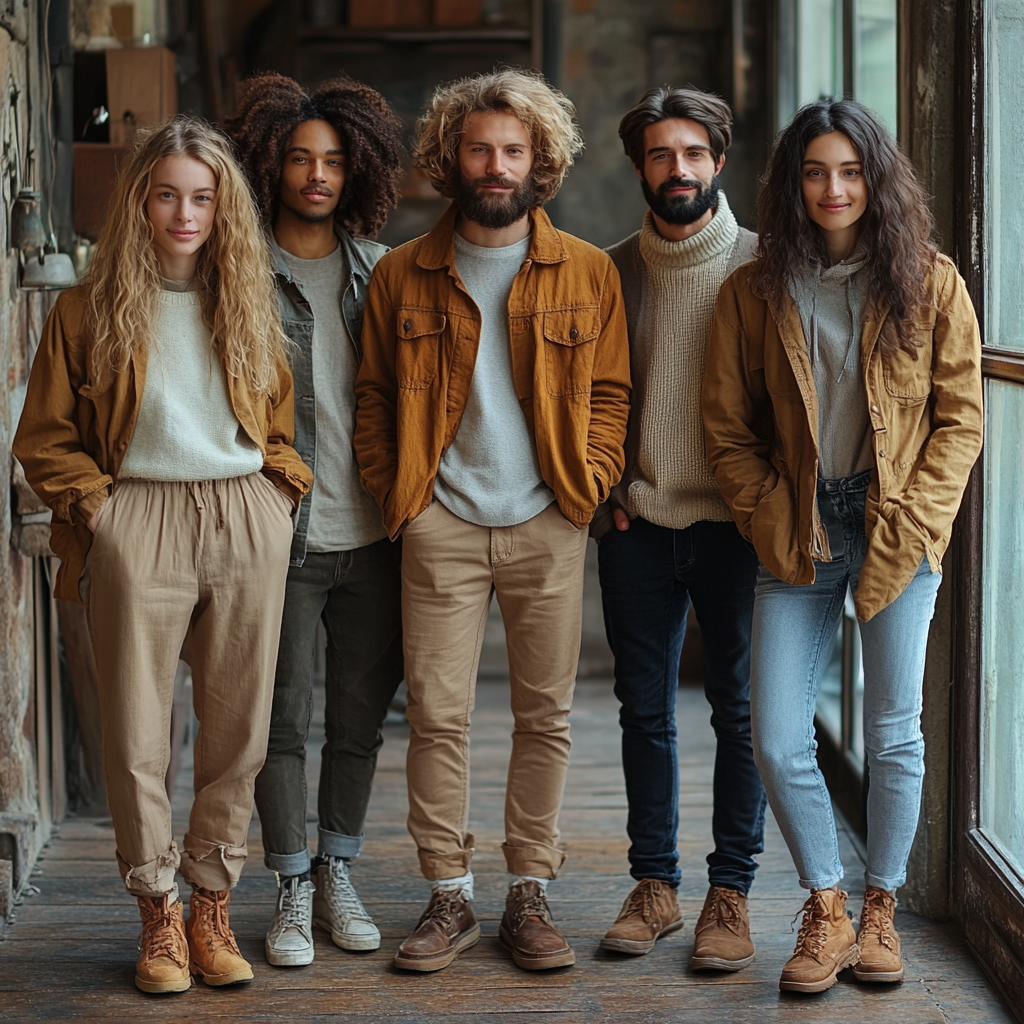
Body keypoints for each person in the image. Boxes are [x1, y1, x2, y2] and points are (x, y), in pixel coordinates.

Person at [13, 115, 312, 993]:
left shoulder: (248, 302)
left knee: (237, 731)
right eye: (168, 195)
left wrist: (279, 492)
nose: (186, 214)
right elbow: (45, 438)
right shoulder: (85, 308)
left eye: (204, 197)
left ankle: (211, 903)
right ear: (141, 201)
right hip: (135, 513)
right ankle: (157, 913)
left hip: (241, 514)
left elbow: (281, 422)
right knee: (138, 734)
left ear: (225, 208)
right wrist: (100, 512)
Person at [702, 98, 982, 994]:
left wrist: (921, 522)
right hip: (799, 528)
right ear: (792, 183)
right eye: (816, 171)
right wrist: (764, 510)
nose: (834, 188)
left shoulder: (929, 281)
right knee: (777, 735)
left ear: (877, 179)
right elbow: (726, 428)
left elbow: (959, 421)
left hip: (897, 524)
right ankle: (824, 903)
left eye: (852, 171)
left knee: (895, 734)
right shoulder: (754, 288)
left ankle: (880, 911)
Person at [354, 68, 630, 973]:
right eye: (479, 148)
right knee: (437, 714)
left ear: (540, 160)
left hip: (549, 519)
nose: (496, 164)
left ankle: (529, 892)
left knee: (545, 715)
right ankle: (450, 895)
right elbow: (373, 399)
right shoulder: (402, 273)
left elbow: (613, 396)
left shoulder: (588, 272)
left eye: (514, 149)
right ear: (450, 157)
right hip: (441, 523)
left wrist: (584, 485)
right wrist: (403, 499)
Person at [227, 73, 406, 969]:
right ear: (269, 164)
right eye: (298, 158)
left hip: (377, 537)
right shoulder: (238, 270)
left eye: (333, 160)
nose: (316, 174)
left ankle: (339, 869)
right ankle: (291, 885)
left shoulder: (385, 271)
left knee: (360, 721)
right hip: (282, 537)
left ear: (357, 169)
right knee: (278, 721)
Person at [595, 86, 766, 970]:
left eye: (693, 153)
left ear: (719, 162)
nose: (678, 170)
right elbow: (581, 399)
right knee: (644, 711)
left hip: (739, 528)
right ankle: (655, 888)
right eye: (661, 155)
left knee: (740, 716)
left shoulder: (763, 265)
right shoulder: (611, 269)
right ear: (639, 169)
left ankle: (729, 895)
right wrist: (602, 495)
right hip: (640, 521)